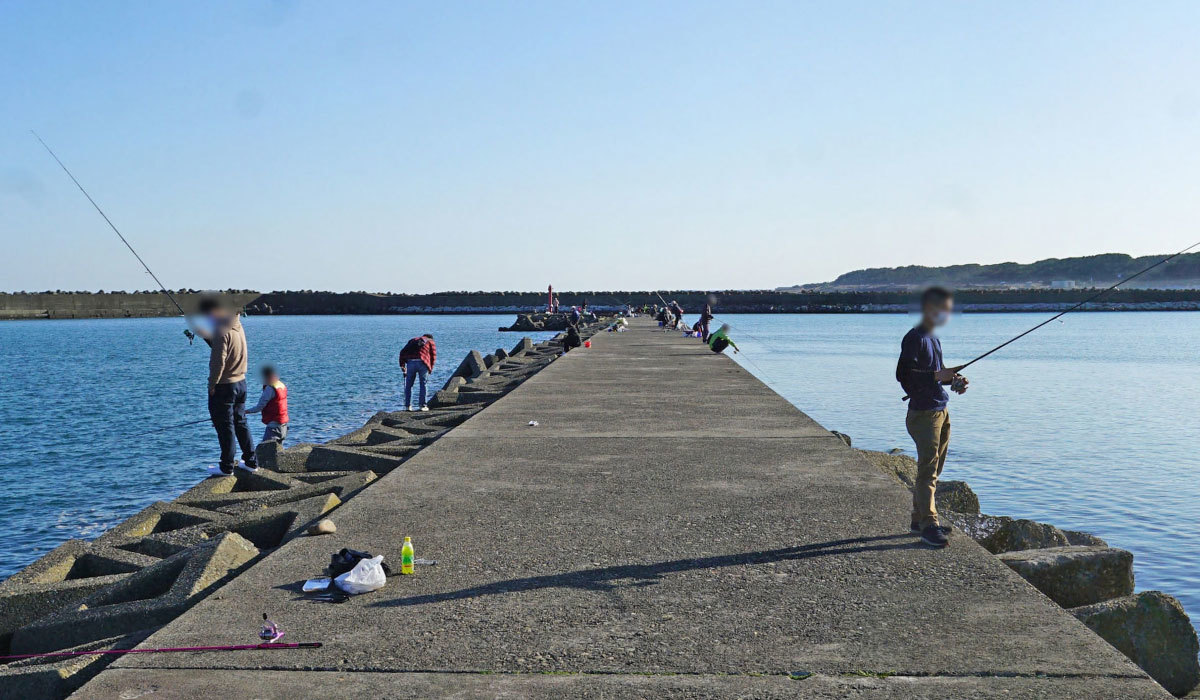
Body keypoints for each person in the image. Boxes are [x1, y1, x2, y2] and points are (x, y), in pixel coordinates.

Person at [896, 286, 969, 548]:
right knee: (928, 470)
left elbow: (934, 376)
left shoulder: (934, 339)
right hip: (923, 414)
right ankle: (929, 525)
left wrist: (954, 381)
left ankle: (919, 518)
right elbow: (904, 375)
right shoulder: (914, 338)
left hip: (941, 409)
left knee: (935, 469)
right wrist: (938, 376)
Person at [195, 297, 258, 476]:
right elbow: (227, 348)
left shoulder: (221, 331)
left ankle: (226, 466)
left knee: (225, 427)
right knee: (240, 423)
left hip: (224, 386)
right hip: (241, 384)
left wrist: (212, 385)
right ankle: (251, 462)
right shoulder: (237, 326)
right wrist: (207, 336)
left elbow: (218, 362)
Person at [246, 365, 289, 445]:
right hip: (284, 425)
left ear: (266, 376)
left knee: (265, 451)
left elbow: (259, 407)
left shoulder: (270, 389)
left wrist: (245, 411)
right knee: (278, 452)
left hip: (274, 427)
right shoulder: (280, 385)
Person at [399, 333, 437, 411]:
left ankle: (408, 406)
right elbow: (433, 356)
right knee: (423, 384)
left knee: (409, 385)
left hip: (410, 363)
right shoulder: (430, 341)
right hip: (423, 363)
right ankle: (422, 406)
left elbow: (402, 352)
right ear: (430, 338)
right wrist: (430, 368)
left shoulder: (412, 340)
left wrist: (402, 366)